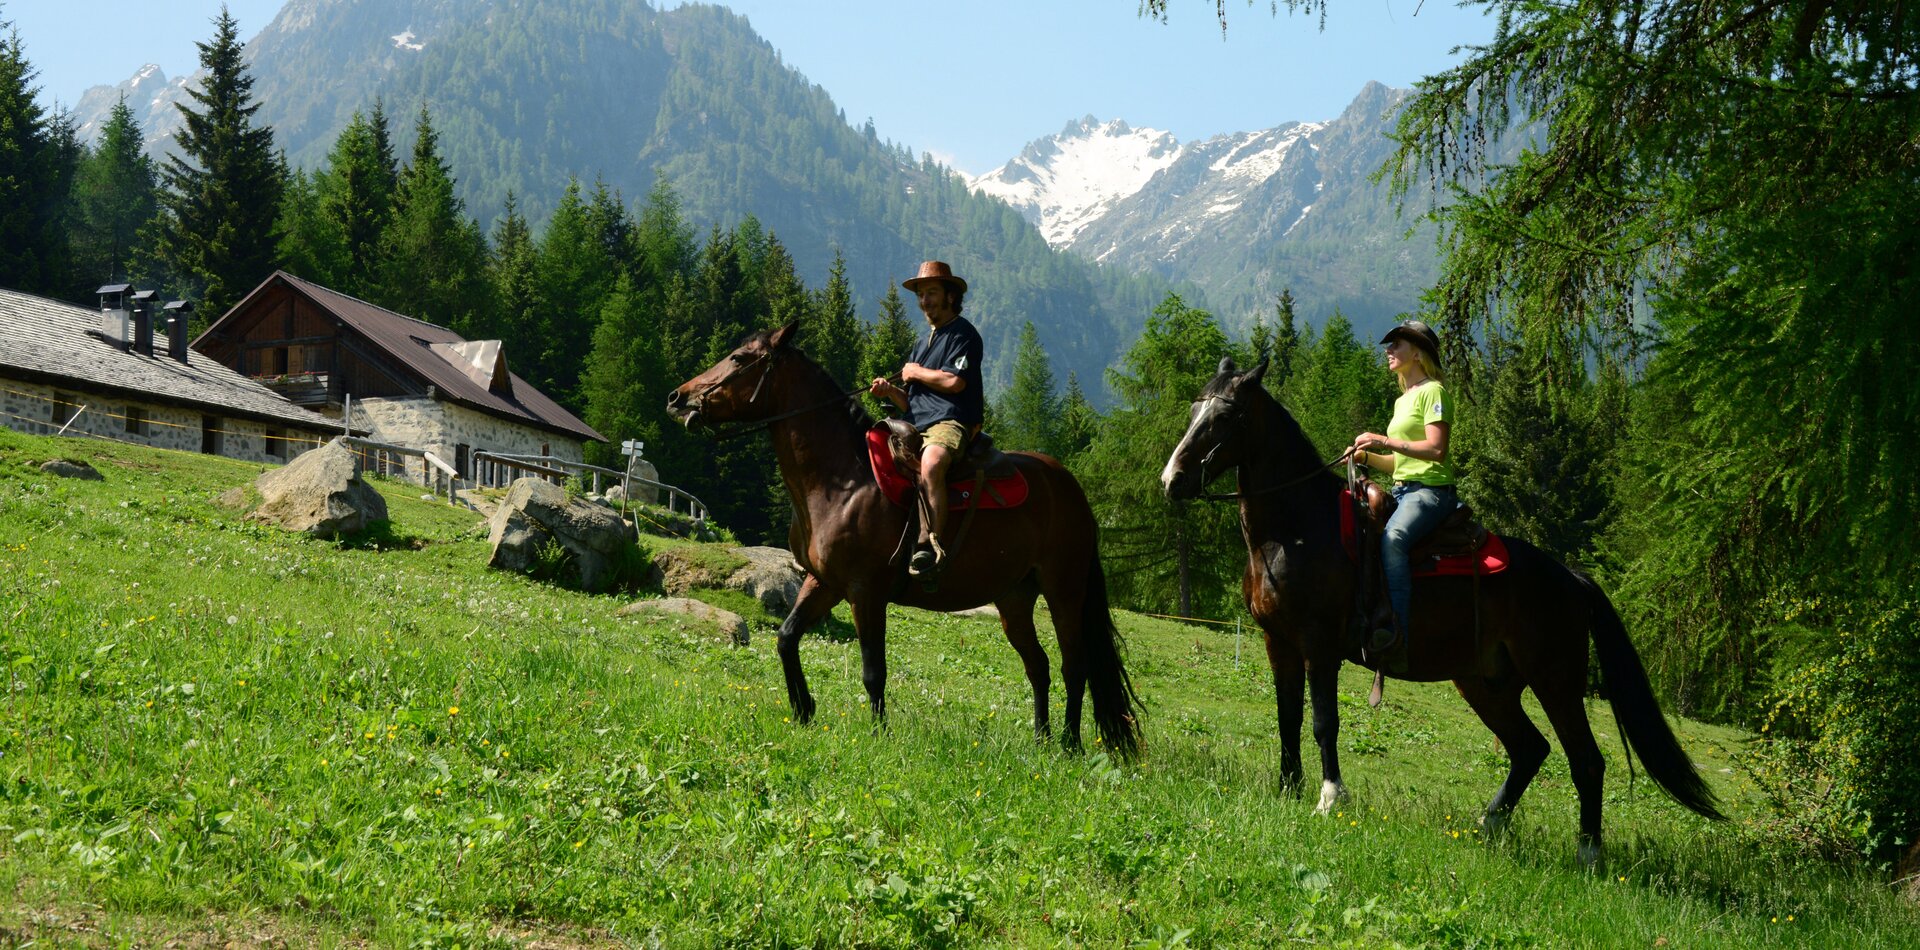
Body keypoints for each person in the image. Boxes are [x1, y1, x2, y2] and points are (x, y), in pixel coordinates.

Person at [1350, 319, 1457, 667]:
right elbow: (1399, 463)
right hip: (1404, 489)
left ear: (1417, 352)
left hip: (1431, 492)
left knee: (1393, 539)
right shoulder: (1402, 401)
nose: (1389, 351)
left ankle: (1398, 636)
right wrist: (1366, 457)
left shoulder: (1433, 391)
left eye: (1396, 345)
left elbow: (1436, 450)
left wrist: (1382, 439)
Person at [869, 260, 985, 577]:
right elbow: (912, 401)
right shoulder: (922, 343)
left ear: (950, 296)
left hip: (951, 421)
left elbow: (954, 382)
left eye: (932, 292)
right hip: (917, 424)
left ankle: (929, 546)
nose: (925, 301)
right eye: (921, 294)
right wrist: (891, 391)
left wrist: (915, 371)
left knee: (931, 464)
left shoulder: (964, 334)